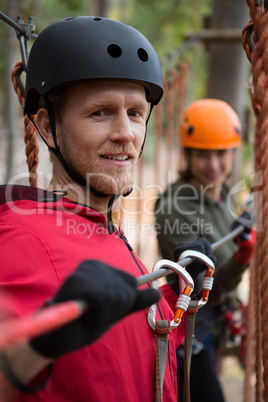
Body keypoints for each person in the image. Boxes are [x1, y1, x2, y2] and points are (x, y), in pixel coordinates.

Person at [0, 17, 216, 401]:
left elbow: (116, 348)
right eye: (100, 112)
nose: (126, 133)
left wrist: (177, 291)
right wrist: (30, 353)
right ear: (48, 128)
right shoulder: (19, 239)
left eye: (135, 113)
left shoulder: (99, 227)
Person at [154, 99, 256, 402]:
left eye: (221, 153)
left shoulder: (221, 191)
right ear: (187, 154)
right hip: (191, 332)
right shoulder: (174, 209)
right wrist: (242, 258)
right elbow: (206, 287)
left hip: (215, 323)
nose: (214, 165)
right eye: (202, 155)